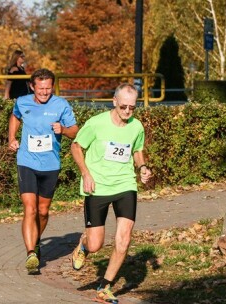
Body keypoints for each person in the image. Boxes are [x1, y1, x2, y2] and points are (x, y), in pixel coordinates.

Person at [70, 83, 153, 303]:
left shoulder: (136, 126)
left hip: (125, 185)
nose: (127, 111)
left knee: (124, 239)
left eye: (132, 108)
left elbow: (137, 150)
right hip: (97, 186)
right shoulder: (96, 124)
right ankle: (84, 244)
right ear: (114, 101)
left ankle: (104, 287)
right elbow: (76, 147)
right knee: (96, 244)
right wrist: (86, 174)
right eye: (123, 106)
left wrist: (142, 167)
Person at [8, 68, 79, 274]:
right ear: (32, 86)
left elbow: (75, 130)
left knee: (43, 211)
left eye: (48, 88)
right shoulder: (23, 101)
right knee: (30, 209)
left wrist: (63, 130)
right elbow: (15, 117)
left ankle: (36, 241)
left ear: (52, 87)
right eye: (40, 88)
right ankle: (31, 253)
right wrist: (11, 138)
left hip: (50, 165)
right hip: (27, 161)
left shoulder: (61, 105)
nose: (44, 92)